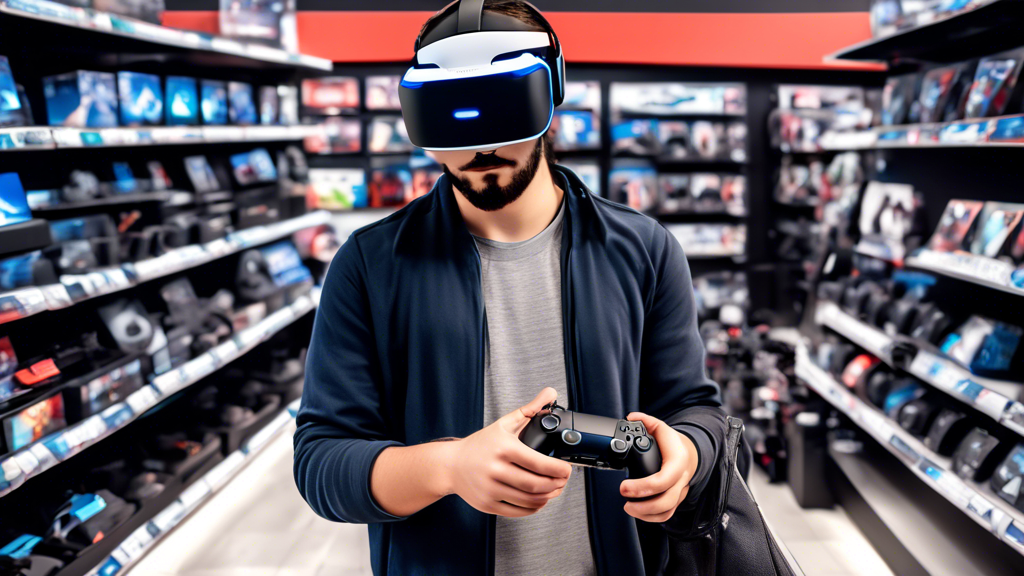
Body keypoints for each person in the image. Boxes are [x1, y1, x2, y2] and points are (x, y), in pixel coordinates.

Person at [293, 2, 728, 574]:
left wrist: (687, 456)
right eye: (450, 121)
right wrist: (450, 467)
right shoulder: (370, 266)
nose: (480, 153)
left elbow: (695, 408)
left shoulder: (643, 248)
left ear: (551, 94)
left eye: (503, 110)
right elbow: (322, 461)